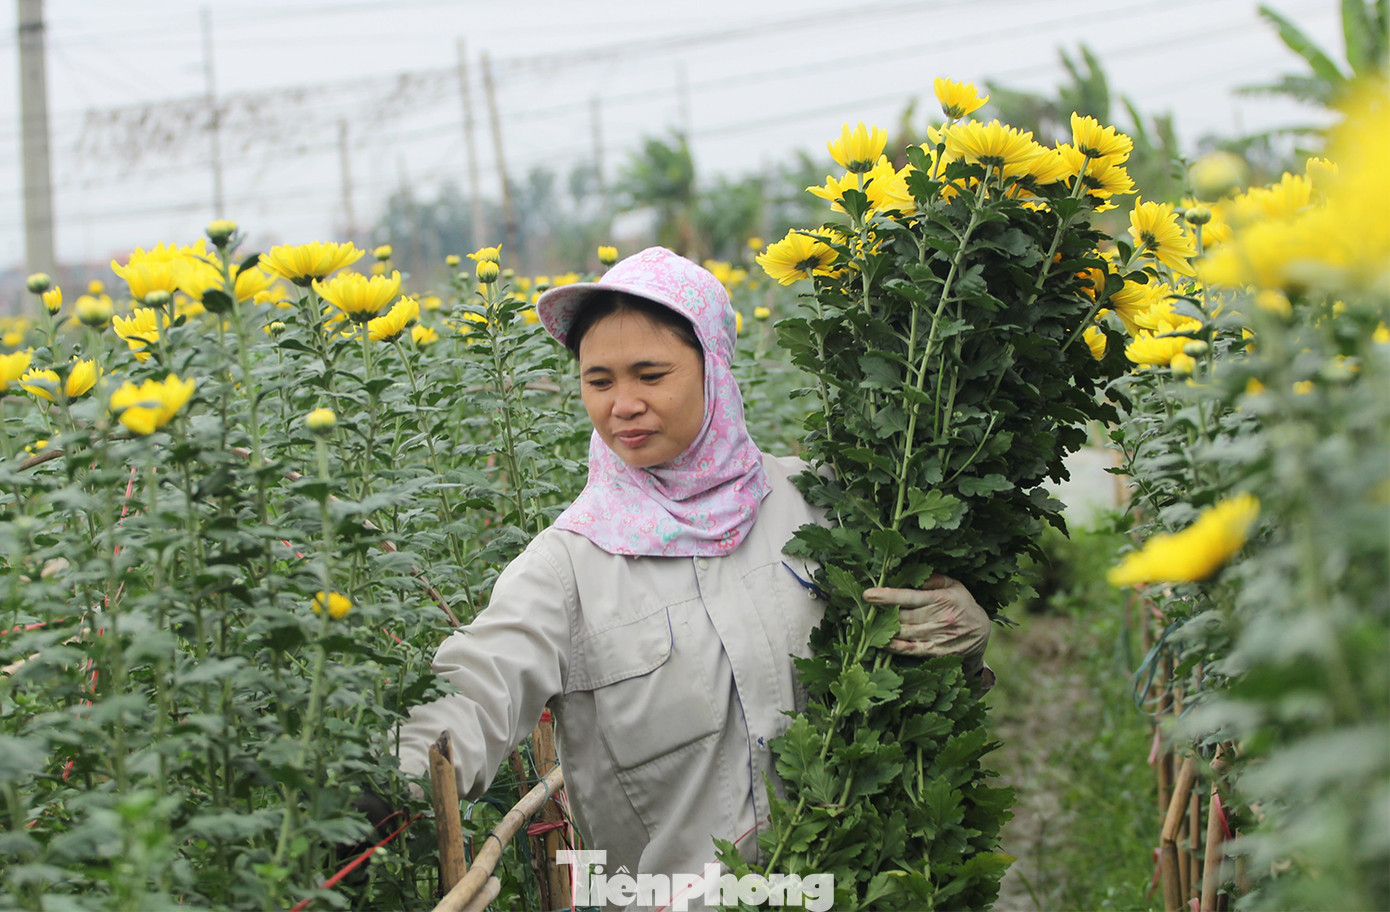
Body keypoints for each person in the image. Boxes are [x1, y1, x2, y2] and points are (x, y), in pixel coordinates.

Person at [395, 247, 991, 905]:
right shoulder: (568, 567)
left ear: (715, 369)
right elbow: (475, 692)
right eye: (600, 381)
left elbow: (914, 686)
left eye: (650, 375)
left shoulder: (820, 503)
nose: (624, 404)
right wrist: (390, 776)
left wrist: (961, 632)